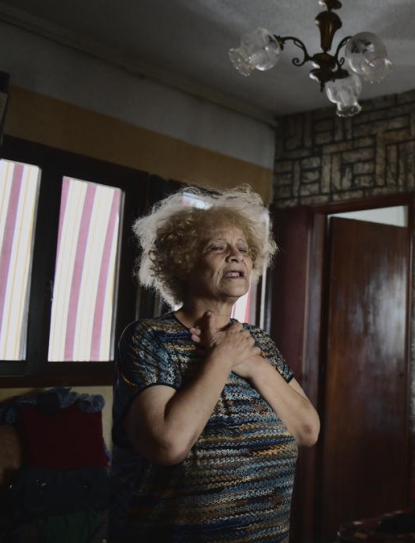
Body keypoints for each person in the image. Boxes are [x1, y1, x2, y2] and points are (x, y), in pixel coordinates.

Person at [110, 186, 320, 543]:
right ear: (184, 262)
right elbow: (169, 445)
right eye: (218, 247)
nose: (236, 256)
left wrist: (251, 363)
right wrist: (221, 357)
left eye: (244, 249)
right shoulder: (149, 338)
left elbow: (307, 431)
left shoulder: (259, 344)